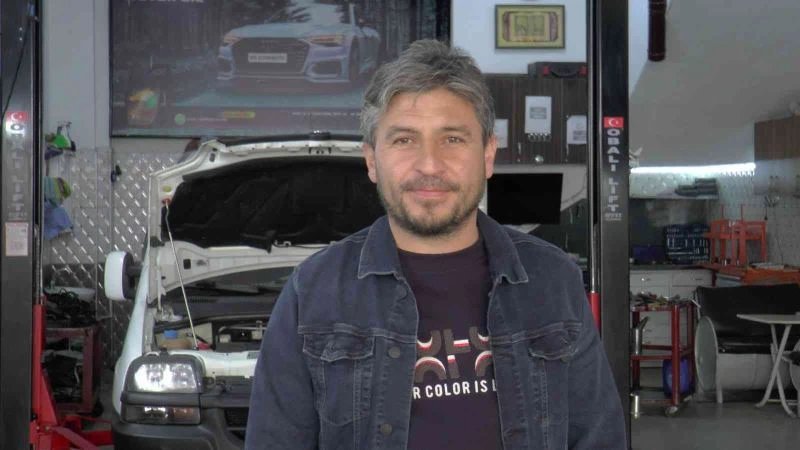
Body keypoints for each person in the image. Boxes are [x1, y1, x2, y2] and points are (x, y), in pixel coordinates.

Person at [245, 39, 626, 450]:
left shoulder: (552, 281)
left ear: (488, 154)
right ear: (372, 160)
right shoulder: (312, 292)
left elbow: (599, 438)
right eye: (404, 140)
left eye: (453, 139)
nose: (429, 164)